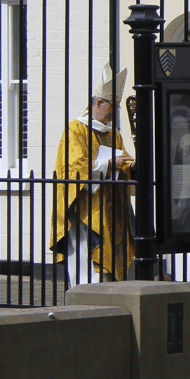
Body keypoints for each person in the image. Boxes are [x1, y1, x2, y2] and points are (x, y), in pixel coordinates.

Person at [51, 65, 135, 286]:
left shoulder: (113, 133)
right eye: (113, 107)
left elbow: (124, 159)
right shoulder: (75, 130)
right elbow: (72, 167)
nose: (115, 112)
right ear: (98, 104)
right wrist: (108, 164)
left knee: (110, 264)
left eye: (117, 108)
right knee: (87, 264)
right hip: (85, 211)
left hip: (110, 209)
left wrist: (131, 166)